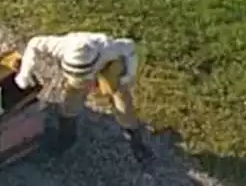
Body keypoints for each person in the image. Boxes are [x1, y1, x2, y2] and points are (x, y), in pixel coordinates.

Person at [14, 31, 153, 164]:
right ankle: (67, 138)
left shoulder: (108, 47)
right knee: (70, 100)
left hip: (110, 65)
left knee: (121, 102)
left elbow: (130, 48)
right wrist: (24, 74)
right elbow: (34, 44)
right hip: (84, 73)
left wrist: (128, 75)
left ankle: (136, 142)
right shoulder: (59, 45)